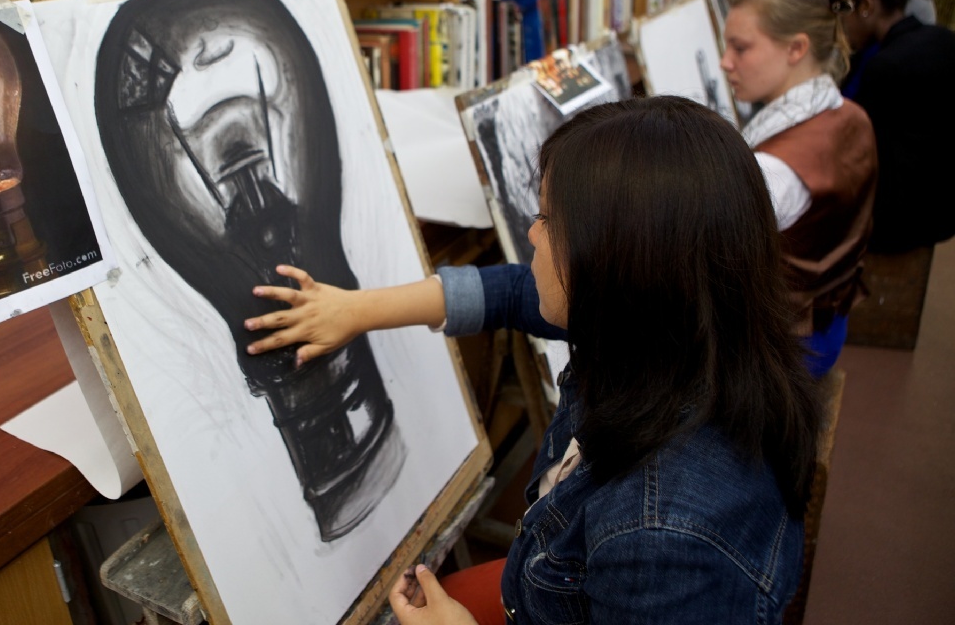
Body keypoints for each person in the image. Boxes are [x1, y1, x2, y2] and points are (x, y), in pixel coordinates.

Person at [245, 96, 823, 624]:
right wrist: (354, 310)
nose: (530, 234)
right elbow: (511, 292)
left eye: (547, 219)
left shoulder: (663, 537)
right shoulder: (677, 330)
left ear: (612, 264)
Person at [720, 0, 878, 376]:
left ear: (796, 48)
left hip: (780, 355)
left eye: (740, 48)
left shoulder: (775, 170)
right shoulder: (851, 114)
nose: (725, 62)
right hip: (828, 328)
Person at [837, 0, 955, 253]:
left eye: (846, 14)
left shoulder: (885, 65)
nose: (843, 27)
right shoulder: (943, 39)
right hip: (941, 207)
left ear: (866, 7)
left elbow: (856, 146)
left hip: (896, 222)